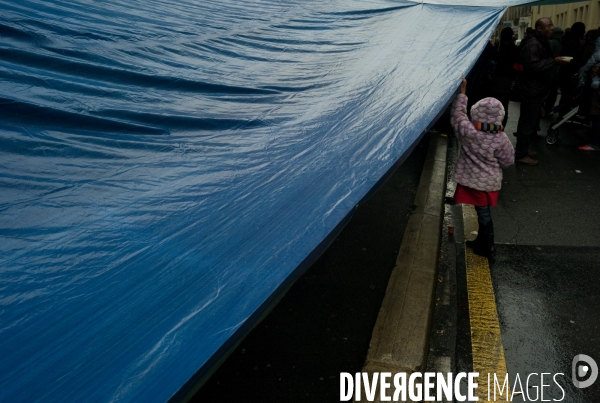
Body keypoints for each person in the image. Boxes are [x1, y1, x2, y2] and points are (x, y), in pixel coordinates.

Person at [450, 78, 515, 257]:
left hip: (473, 180)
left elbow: (458, 116)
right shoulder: (501, 138)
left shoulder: (469, 132)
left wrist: (462, 95)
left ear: (476, 113)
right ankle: (483, 241)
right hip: (489, 182)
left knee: (483, 213)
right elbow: (508, 160)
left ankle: (488, 246)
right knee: (482, 212)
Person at [516, 18, 568, 166]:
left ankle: (523, 149)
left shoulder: (540, 41)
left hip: (535, 89)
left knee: (529, 122)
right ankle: (520, 154)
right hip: (531, 90)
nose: (552, 28)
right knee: (527, 122)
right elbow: (532, 66)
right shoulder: (533, 43)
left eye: (552, 25)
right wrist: (554, 61)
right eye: (548, 26)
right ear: (539, 29)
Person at [490, 27, 519, 127]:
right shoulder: (513, 48)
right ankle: (501, 127)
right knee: (504, 106)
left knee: (494, 105)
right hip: (507, 81)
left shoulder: (497, 47)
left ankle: (493, 126)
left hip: (495, 80)